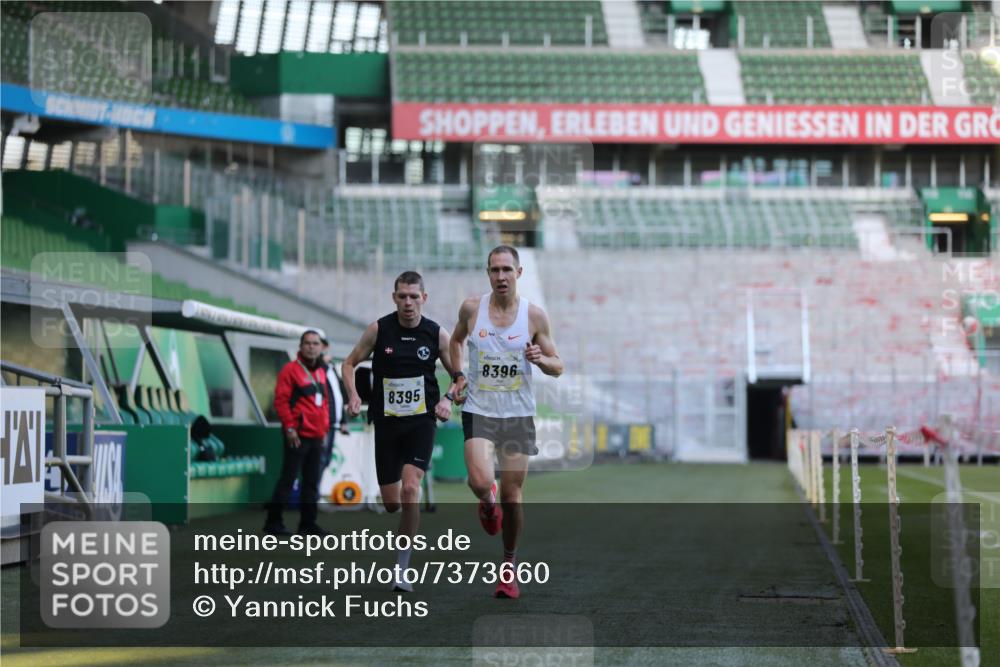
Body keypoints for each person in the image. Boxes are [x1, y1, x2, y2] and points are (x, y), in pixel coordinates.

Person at [446, 245, 563, 599]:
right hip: (480, 409)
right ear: (488, 273)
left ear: (518, 273)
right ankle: (487, 499)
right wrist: (458, 375)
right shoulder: (472, 308)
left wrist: (541, 359)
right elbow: (455, 341)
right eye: (495, 270)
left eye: (507, 270)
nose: (501, 276)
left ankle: (509, 567)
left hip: (517, 415)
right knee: (480, 481)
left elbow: (558, 366)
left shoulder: (534, 316)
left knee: (513, 498)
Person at [342, 271, 455, 592]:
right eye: (402, 296)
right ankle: (403, 529)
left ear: (424, 298)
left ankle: (402, 571)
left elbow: (461, 376)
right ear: (394, 298)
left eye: (414, 296)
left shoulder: (436, 334)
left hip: (421, 423)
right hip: (387, 424)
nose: (408, 302)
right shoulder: (379, 329)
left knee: (410, 490)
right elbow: (349, 363)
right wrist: (353, 395)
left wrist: (447, 399)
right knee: (392, 503)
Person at [264, 330, 331, 536]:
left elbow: (324, 403)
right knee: (288, 478)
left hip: (317, 435)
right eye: (307, 343)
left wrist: (324, 429)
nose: (311, 347)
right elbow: (281, 401)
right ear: (300, 347)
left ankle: (307, 524)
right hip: (298, 435)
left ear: (321, 347)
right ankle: (273, 522)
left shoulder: (321, 371)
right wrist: (290, 428)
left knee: (311, 481)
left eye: (315, 343)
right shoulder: (290, 370)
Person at [320, 338, 351, 474]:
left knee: (325, 461)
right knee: (319, 461)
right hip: (322, 424)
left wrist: (343, 420)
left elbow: (337, 395)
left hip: (333, 423)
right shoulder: (319, 367)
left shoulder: (331, 367)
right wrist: (323, 363)